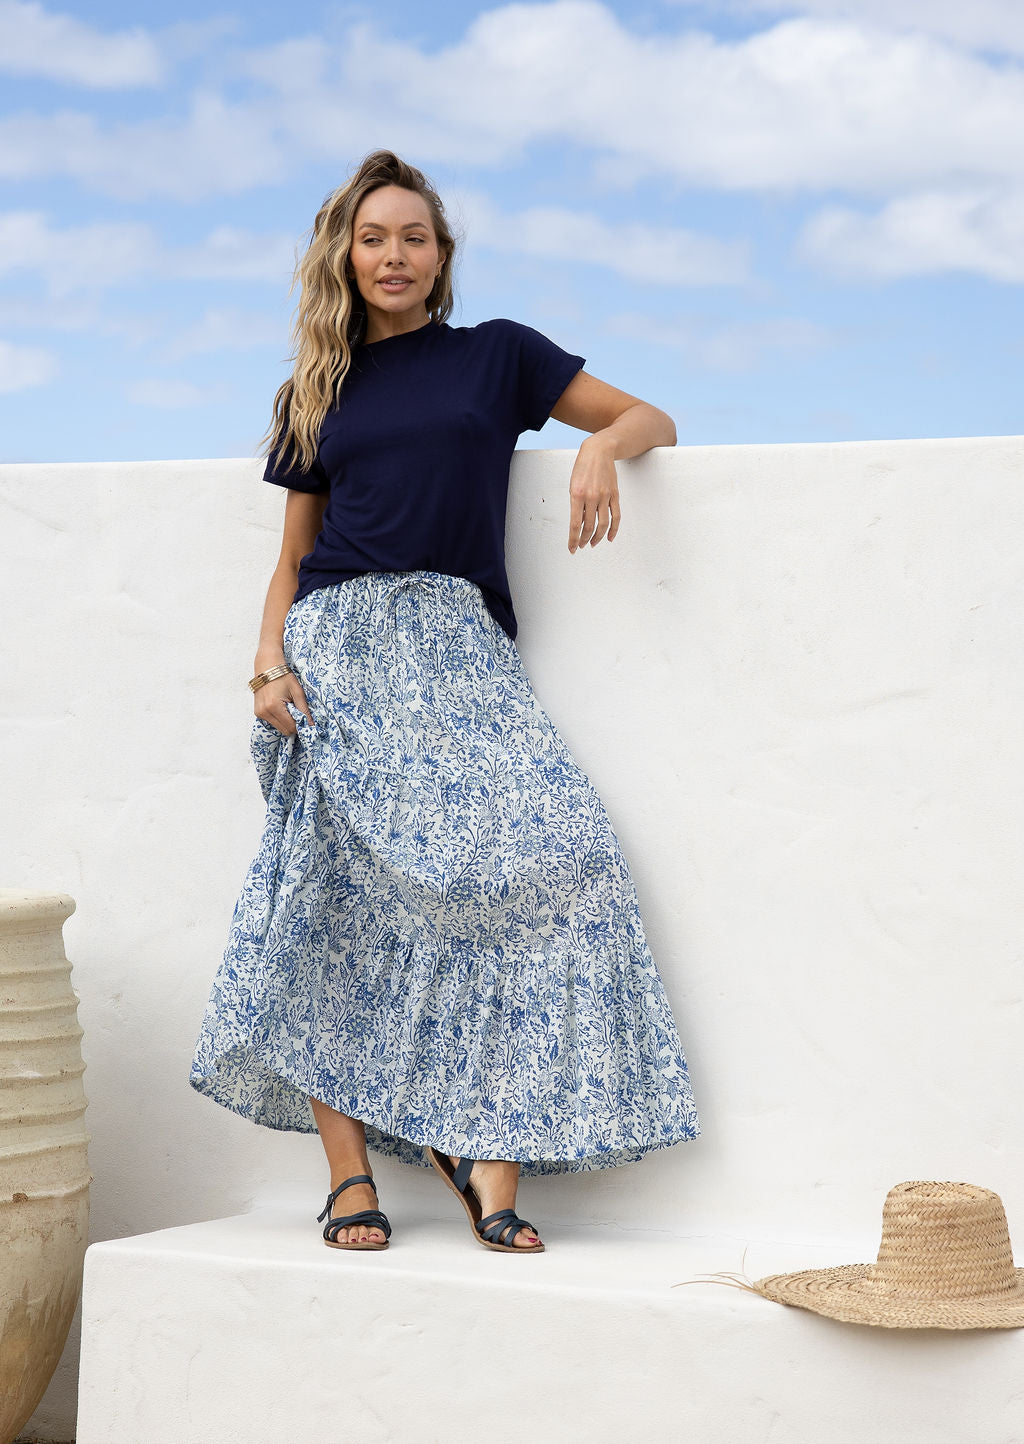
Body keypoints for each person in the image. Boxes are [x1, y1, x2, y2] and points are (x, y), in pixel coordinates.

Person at [189, 149, 701, 1255]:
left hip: (461, 647)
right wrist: (269, 666)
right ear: (344, 255)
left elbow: (653, 415)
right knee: (329, 896)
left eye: (412, 237)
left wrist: (599, 449)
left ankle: (483, 1148)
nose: (392, 256)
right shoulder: (313, 391)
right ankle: (347, 1178)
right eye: (372, 238)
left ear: (441, 255)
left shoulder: (497, 359)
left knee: (555, 856)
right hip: (340, 646)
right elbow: (294, 559)